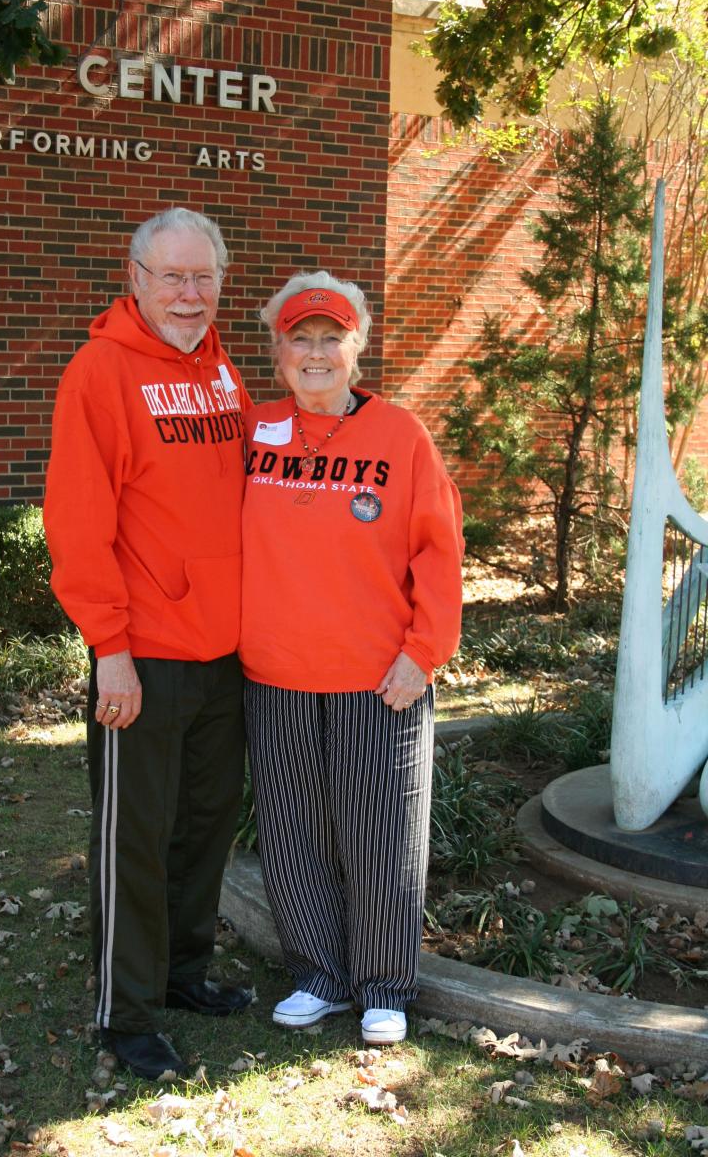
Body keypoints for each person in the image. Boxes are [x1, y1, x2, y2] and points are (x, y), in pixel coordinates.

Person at [44, 208, 252, 1081]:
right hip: (147, 654)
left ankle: (182, 974)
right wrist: (110, 647)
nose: (189, 294)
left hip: (228, 653)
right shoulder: (100, 372)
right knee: (136, 836)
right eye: (172, 276)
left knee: (204, 827)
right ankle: (124, 1013)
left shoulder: (221, 372)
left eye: (203, 277)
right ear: (135, 276)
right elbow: (78, 522)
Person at [240, 271, 464, 1046]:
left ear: (356, 346)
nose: (314, 353)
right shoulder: (254, 432)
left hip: (380, 678)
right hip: (275, 672)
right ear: (277, 350)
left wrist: (423, 653)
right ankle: (318, 976)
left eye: (330, 337)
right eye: (299, 338)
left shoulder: (400, 435)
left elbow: (439, 552)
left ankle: (384, 986)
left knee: (381, 832)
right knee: (293, 832)